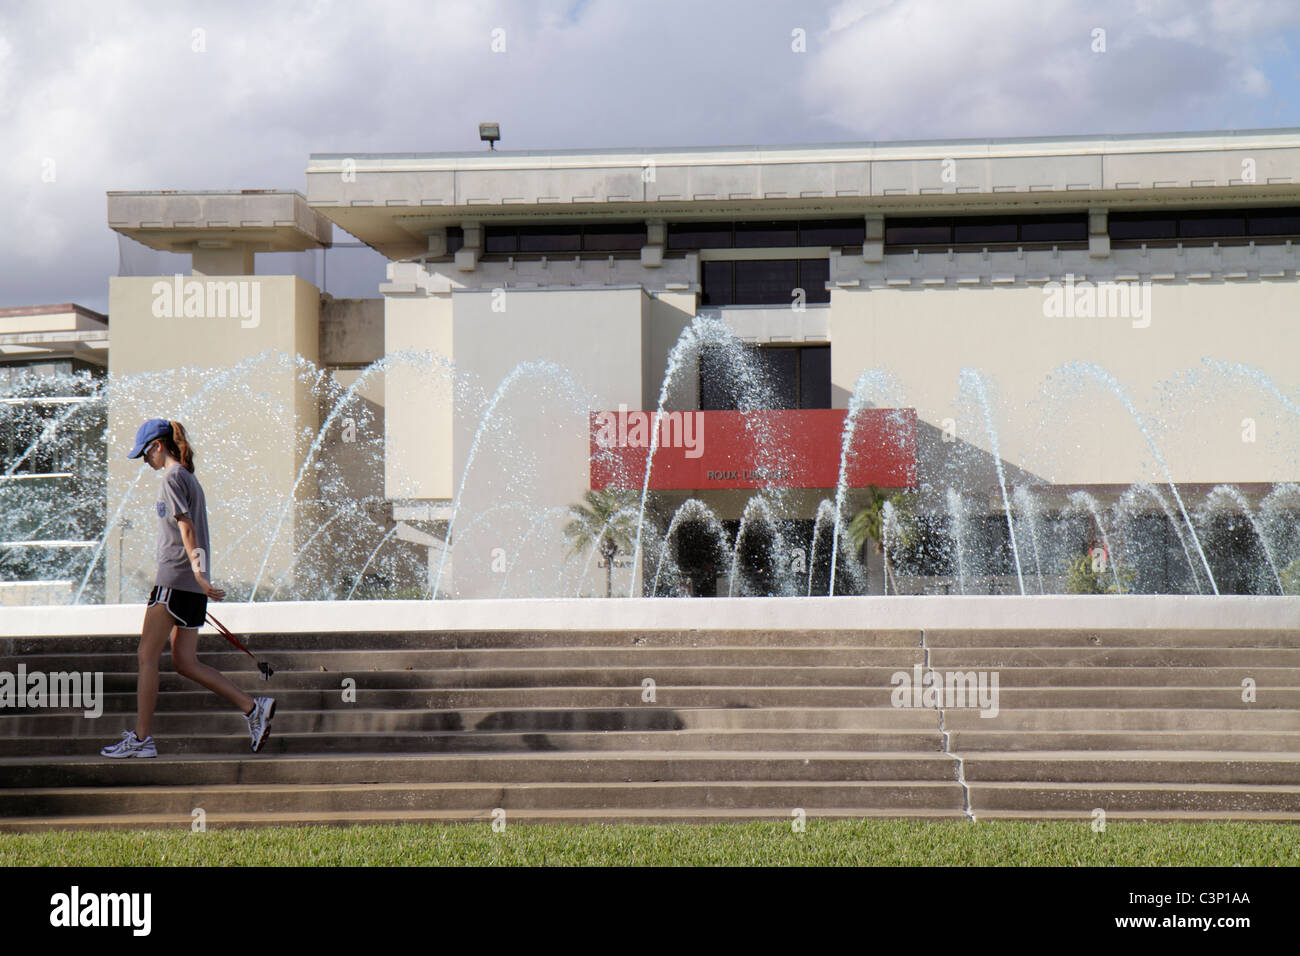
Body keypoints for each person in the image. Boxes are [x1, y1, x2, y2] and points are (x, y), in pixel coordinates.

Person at [101, 418, 275, 757]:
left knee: (146, 656)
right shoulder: (188, 478)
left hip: (175, 581)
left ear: (157, 447)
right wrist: (200, 578)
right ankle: (254, 708)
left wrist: (198, 574)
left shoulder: (171, 477)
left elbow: (187, 529)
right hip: (189, 587)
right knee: (184, 661)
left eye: (144, 454)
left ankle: (141, 739)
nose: (144, 462)